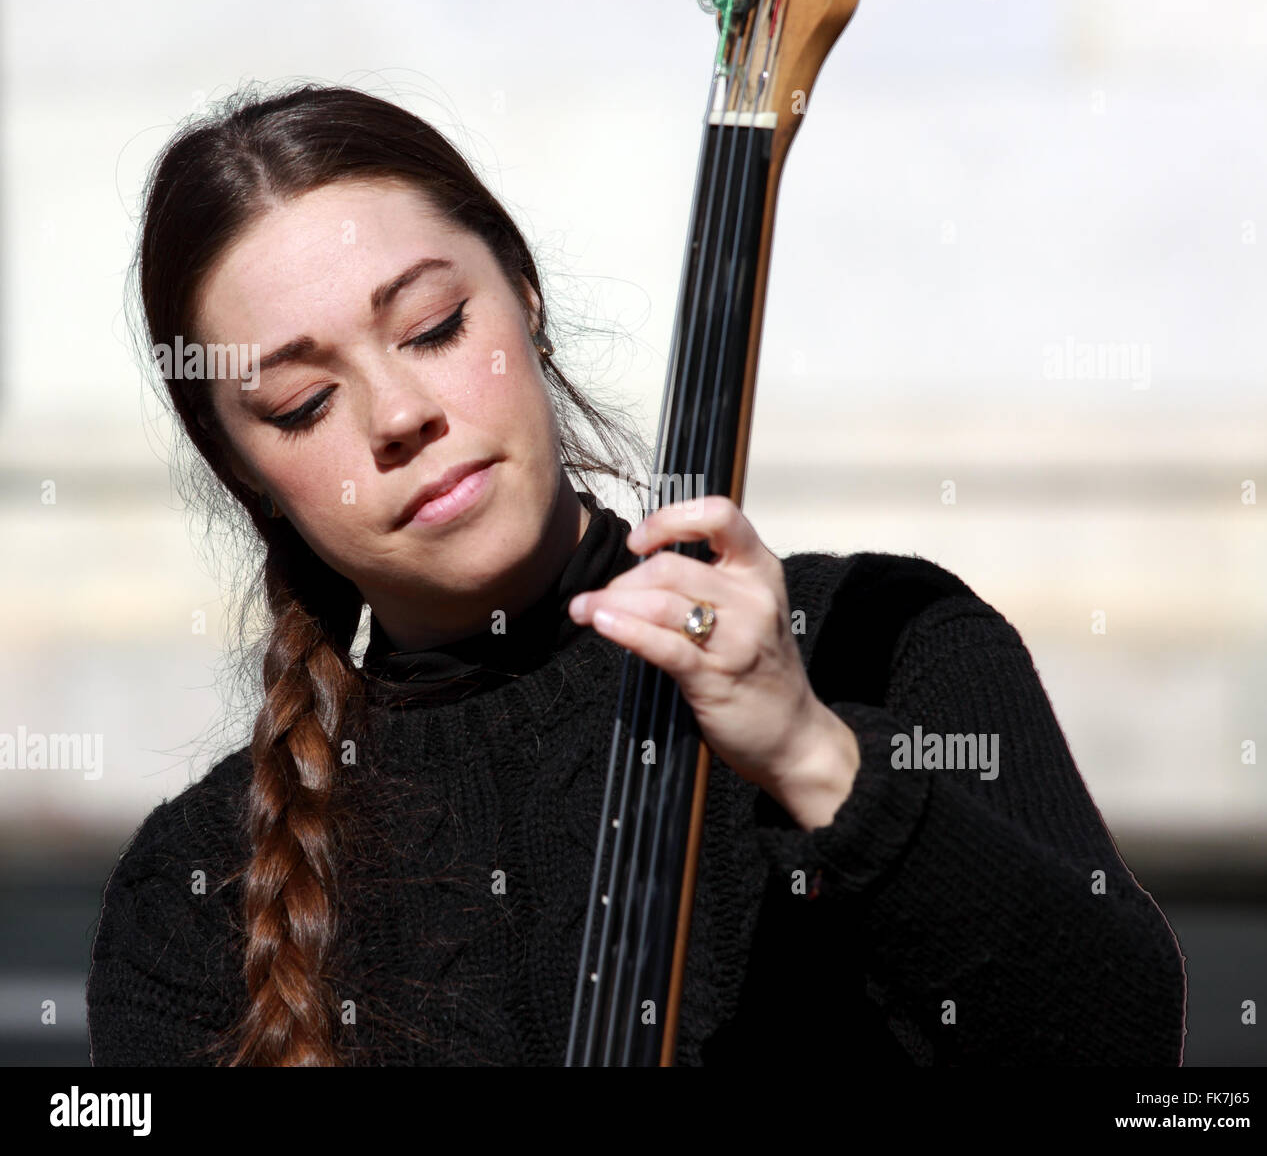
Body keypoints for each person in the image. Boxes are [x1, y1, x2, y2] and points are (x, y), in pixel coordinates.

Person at [85, 82, 1187, 1067]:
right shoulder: (193, 900)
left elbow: (1122, 1045)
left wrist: (814, 755)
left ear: (524, 295)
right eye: (303, 404)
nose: (401, 415)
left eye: (432, 326)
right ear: (248, 471)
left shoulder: (883, 639)